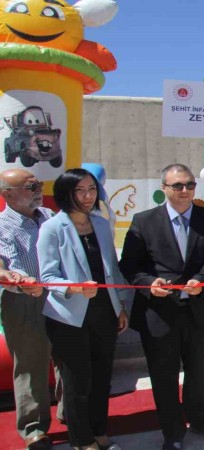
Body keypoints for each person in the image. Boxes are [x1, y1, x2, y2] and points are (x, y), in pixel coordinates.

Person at [120, 164, 204, 450]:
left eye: (190, 185)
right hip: (159, 312)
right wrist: (149, 283)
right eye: (178, 185)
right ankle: (172, 431)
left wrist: (201, 279)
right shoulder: (144, 221)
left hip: (198, 308)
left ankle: (200, 419)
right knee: (163, 374)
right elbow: (129, 265)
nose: (185, 190)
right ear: (164, 189)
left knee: (197, 369)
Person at [37, 169, 131, 450]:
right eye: (80, 190)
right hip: (69, 316)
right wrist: (75, 287)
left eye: (92, 189)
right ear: (65, 194)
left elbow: (111, 268)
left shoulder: (100, 224)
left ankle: (100, 432)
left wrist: (120, 306)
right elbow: (47, 276)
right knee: (77, 382)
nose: (88, 196)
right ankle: (82, 440)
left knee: (102, 378)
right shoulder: (53, 228)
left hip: (104, 311)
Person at [0, 169, 53, 450]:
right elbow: (9, 264)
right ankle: (34, 428)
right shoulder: (2, 226)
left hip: (60, 295)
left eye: (39, 185)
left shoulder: (49, 217)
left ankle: (71, 414)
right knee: (31, 365)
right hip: (24, 299)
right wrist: (22, 282)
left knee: (69, 357)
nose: (38, 190)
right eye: (31, 187)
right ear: (8, 195)